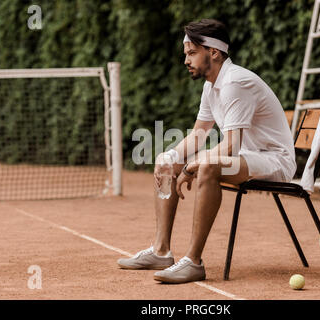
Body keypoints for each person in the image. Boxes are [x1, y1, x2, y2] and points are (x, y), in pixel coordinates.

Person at [117, 18, 296, 284]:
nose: (186, 60)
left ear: (213, 52)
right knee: (169, 162)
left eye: (192, 53)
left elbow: (232, 145)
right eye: (186, 54)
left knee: (208, 166)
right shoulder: (211, 86)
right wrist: (171, 158)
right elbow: (199, 134)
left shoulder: (236, 82)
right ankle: (161, 251)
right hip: (246, 158)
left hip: (274, 161)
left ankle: (193, 262)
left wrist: (194, 165)